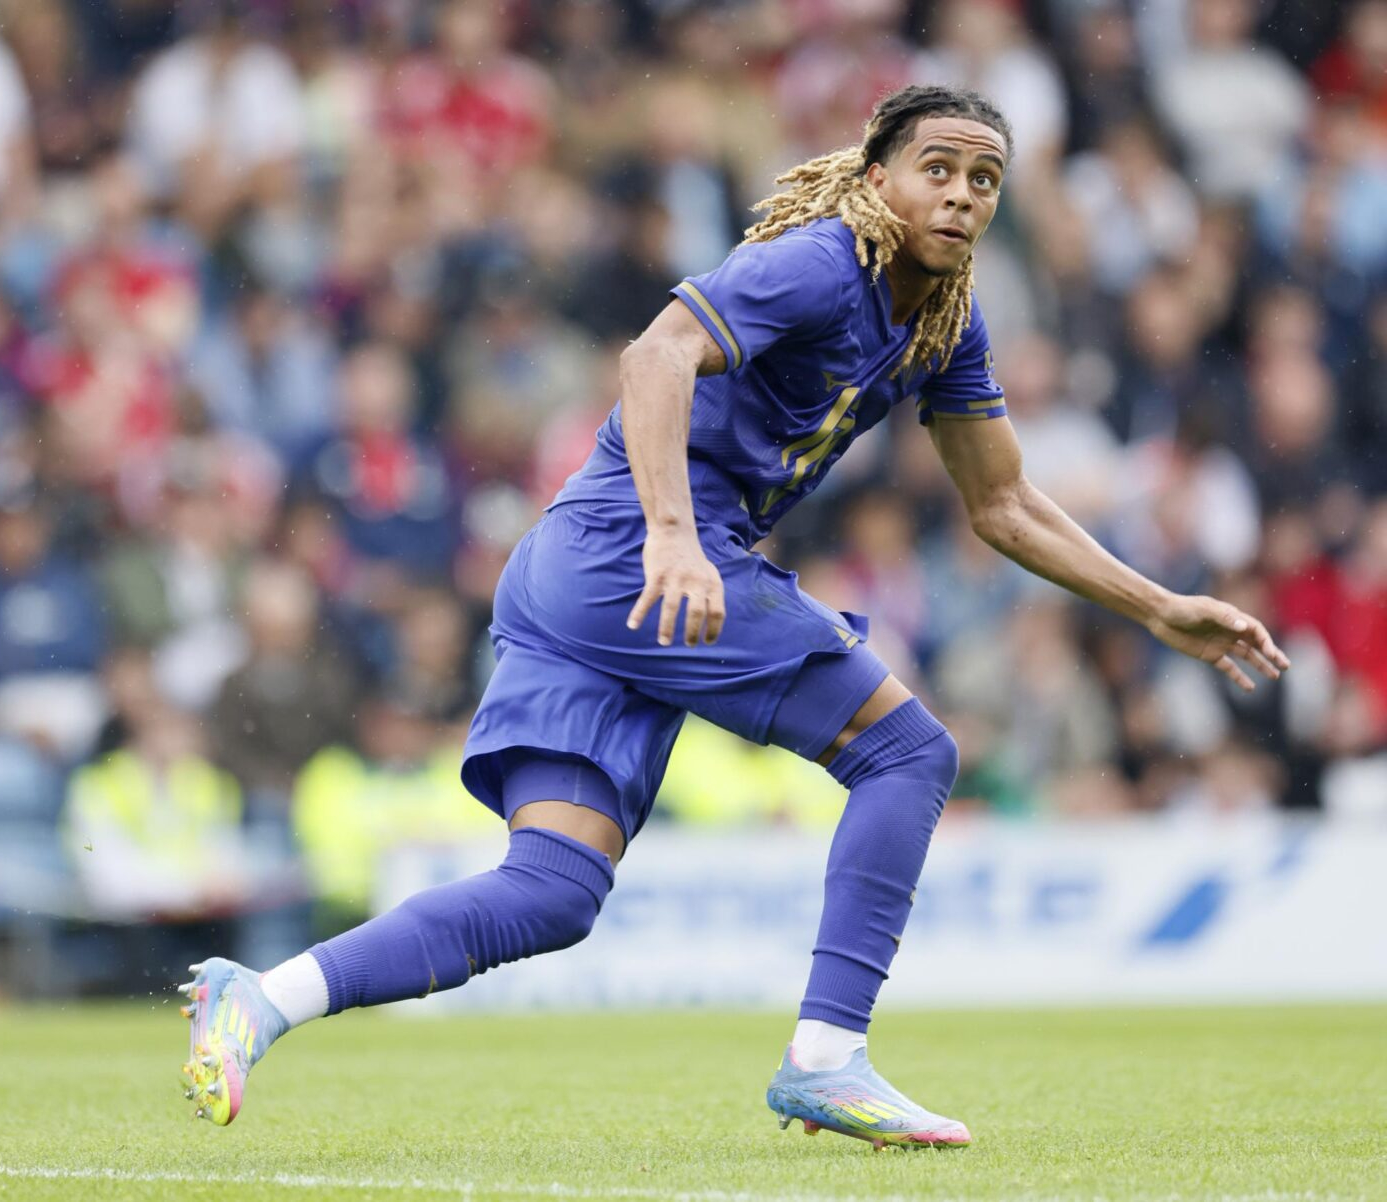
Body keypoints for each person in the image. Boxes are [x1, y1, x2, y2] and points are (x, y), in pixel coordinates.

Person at [177, 86, 1288, 1145]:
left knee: (552, 891)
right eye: (937, 168)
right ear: (874, 178)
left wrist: (1156, 606)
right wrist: (672, 533)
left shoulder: (945, 324)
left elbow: (1000, 502)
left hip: (580, 575)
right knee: (909, 752)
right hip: (637, 556)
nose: (960, 193)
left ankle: (261, 998)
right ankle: (826, 1054)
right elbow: (655, 353)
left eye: (984, 179)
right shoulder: (819, 262)